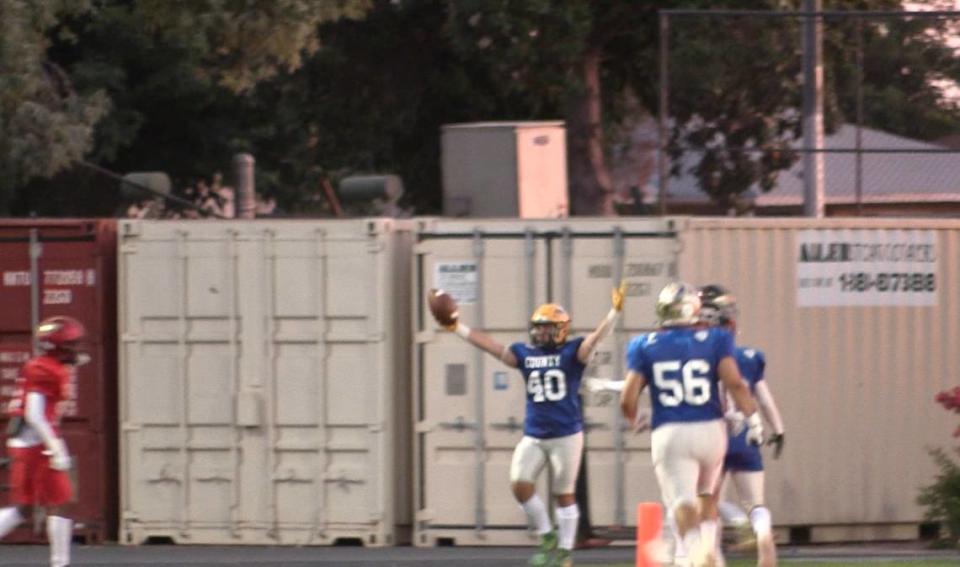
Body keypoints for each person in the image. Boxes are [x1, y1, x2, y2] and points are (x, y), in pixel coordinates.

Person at [431, 282, 626, 567]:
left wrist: (614, 314)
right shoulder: (526, 354)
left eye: (546, 327)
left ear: (560, 329)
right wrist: (457, 327)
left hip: (566, 435)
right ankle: (547, 535)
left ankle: (564, 552)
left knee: (564, 495)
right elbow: (493, 347)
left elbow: (594, 340)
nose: (540, 332)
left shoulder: (573, 353)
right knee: (519, 485)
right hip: (534, 434)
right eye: (537, 327)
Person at [620, 282, 763, 567]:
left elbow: (628, 397)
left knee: (681, 503)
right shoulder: (716, 338)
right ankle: (712, 553)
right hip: (712, 432)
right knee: (707, 495)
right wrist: (754, 419)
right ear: (695, 310)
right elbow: (734, 382)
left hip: (672, 432)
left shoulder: (644, 345)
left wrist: (634, 419)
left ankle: (699, 556)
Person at [699, 284, 785, 567]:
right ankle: (762, 538)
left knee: (710, 507)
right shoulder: (749, 357)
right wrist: (779, 429)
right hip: (747, 435)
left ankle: (714, 558)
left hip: (715, 436)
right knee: (755, 504)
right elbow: (763, 398)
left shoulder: (700, 357)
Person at [0, 316, 86, 567]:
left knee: (23, 508)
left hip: (28, 443)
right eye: (72, 344)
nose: (76, 349)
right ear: (58, 347)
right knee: (60, 502)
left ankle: (60, 562)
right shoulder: (45, 370)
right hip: (36, 444)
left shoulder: (45, 365)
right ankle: (60, 563)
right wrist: (55, 447)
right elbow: (34, 414)